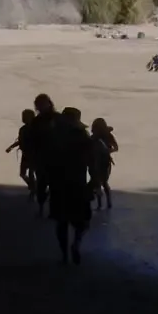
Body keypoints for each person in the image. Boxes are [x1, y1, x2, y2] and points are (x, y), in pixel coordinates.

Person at [44, 107, 93, 264]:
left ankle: (64, 255)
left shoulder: (54, 135)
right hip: (78, 183)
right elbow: (91, 159)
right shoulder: (82, 135)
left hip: (58, 183)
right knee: (82, 221)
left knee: (61, 221)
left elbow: (46, 160)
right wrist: (94, 181)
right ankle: (76, 244)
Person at [87, 118, 117, 210]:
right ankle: (102, 204)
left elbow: (116, 148)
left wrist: (107, 151)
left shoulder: (108, 136)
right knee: (97, 182)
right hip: (94, 162)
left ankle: (107, 203)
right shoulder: (92, 138)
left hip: (104, 162)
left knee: (103, 182)